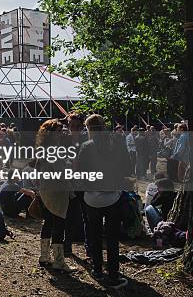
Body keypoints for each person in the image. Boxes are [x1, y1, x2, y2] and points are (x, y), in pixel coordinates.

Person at [78, 114, 129, 289]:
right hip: (113, 195)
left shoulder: (86, 146)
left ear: (89, 128)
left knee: (94, 235)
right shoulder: (117, 142)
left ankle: (97, 269)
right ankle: (114, 274)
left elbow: (79, 172)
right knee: (113, 238)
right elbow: (127, 167)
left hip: (91, 197)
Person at [36, 119, 74, 271]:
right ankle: (59, 261)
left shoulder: (42, 149)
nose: (61, 133)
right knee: (59, 224)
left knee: (48, 222)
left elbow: (37, 170)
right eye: (58, 131)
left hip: (45, 189)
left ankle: (44, 256)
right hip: (57, 191)